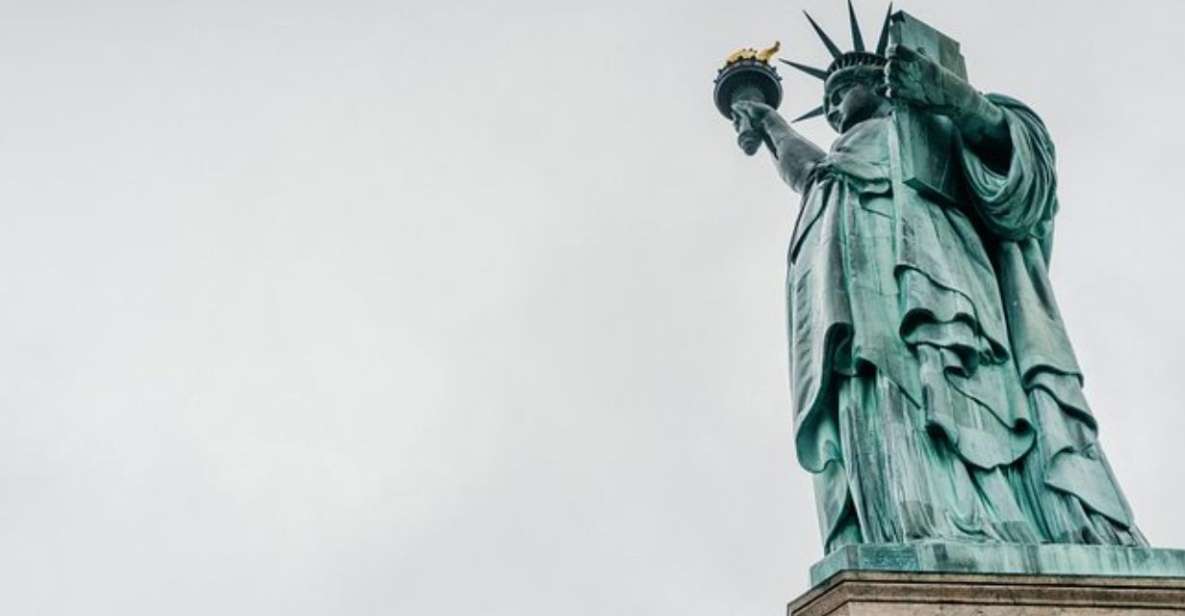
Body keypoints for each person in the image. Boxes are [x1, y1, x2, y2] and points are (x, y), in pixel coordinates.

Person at [729, 22, 1146, 553]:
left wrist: (951, 96)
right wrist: (770, 124)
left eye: (841, 94)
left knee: (964, 394)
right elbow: (811, 175)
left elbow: (1019, 162)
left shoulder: (931, 129)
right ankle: (911, 524)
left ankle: (994, 523)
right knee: (880, 408)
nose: (834, 111)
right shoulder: (836, 172)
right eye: (828, 104)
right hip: (857, 303)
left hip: (943, 280)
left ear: (880, 85)